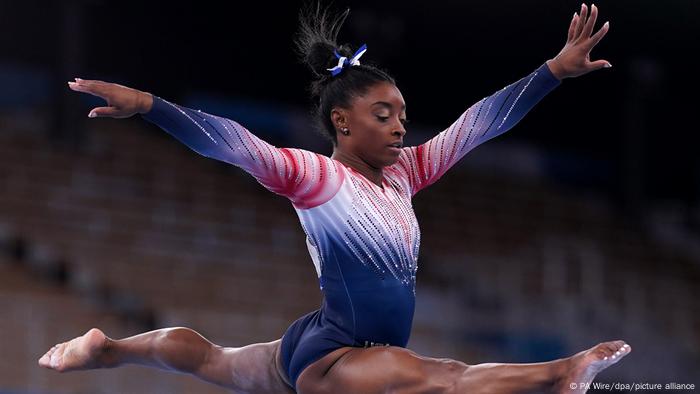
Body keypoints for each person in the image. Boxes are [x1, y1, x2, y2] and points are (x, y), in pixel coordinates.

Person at [39, 3, 630, 393]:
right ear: (343, 124)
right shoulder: (315, 177)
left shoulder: (406, 172)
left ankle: (108, 348)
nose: (401, 127)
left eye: (402, 114)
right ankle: (560, 372)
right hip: (335, 359)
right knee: (443, 379)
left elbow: (480, 124)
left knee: (213, 361)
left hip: (322, 337)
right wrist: (150, 107)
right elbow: (234, 145)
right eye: (383, 115)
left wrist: (551, 71)